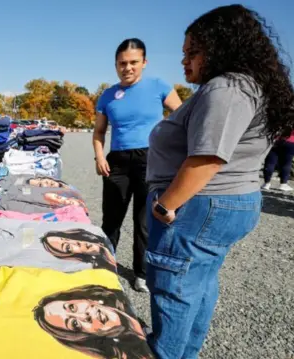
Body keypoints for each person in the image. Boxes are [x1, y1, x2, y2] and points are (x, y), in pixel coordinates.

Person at [145, 5, 294, 358]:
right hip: (226, 200)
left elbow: (207, 158)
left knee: (174, 287)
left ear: (221, 47)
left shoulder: (226, 88)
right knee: (196, 284)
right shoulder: (247, 85)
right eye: (185, 53)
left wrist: (165, 204)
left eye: (193, 53)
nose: (185, 62)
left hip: (201, 203)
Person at [92, 38, 182, 293]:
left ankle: (141, 273)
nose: (127, 68)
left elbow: (182, 119)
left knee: (143, 220)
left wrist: (170, 152)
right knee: (111, 218)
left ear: (144, 62)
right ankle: (104, 266)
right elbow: (99, 132)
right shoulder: (108, 95)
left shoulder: (158, 86)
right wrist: (99, 157)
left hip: (150, 160)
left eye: (133, 62)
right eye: (122, 63)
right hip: (116, 163)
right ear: (115, 64)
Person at [33, 285, 153, 359]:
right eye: (75, 324)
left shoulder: (117, 297)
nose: (85, 316)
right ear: (82, 336)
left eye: (72, 308)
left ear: (83, 298)